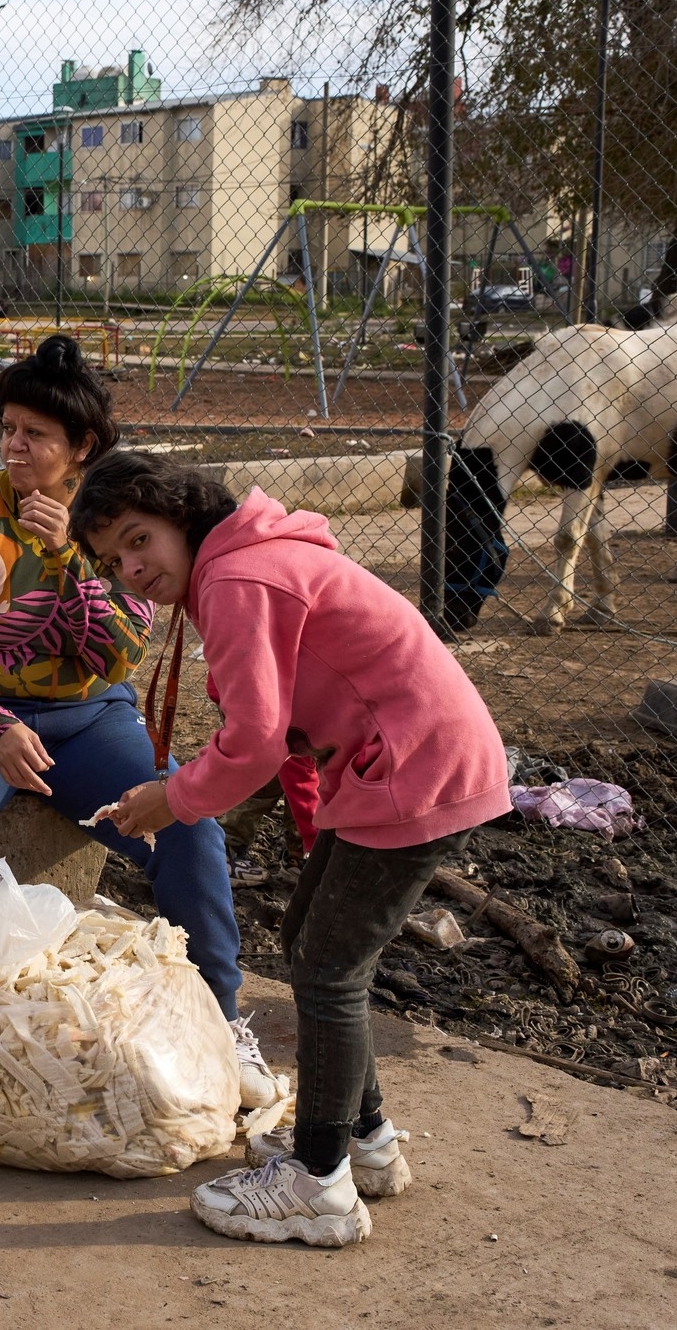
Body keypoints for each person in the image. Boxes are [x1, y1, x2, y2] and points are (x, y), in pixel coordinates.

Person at [78, 450, 510, 1249]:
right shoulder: (243, 564)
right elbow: (283, 732)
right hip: (397, 761)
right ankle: (364, 1141)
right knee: (310, 944)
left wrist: (167, 801)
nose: (132, 569)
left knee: (328, 968)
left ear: (183, 514)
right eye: (114, 561)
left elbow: (252, 746)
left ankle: (319, 1186)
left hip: (414, 766)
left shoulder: (240, 580)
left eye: (140, 541)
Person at [0, 335, 279, 1109]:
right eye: (9, 429)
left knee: (189, 825)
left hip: (85, 720)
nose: (15, 448)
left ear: (80, 447)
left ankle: (223, 1024)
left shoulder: (113, 531)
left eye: (36, 435)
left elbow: (118, 655)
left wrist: (66, 560)